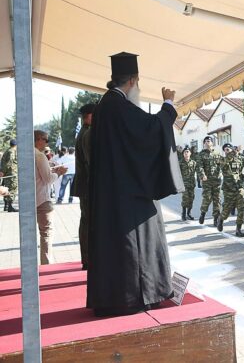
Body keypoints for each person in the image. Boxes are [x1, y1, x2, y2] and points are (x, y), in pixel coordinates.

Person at [87, 52, 183, 317]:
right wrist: (168, 105)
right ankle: (136, 296)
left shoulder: (106, 106)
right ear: (133, 81)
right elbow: (151, 130)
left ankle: (115, 297)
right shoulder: (118, 106)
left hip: (112, 191)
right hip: (127, 195)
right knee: (134, 245)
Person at [34, 130, 67, 264]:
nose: (47, 143)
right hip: (42, 198)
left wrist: (51, 170)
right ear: (38, 139)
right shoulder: (40, 156)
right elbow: (47, 179)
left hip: (31, 198)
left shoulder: (27, 154)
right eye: (46, 140)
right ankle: (46, 264)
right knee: (46, 233)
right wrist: (59, 173)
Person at [73, 103, 96, 270]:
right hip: (88, 185)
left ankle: (87, 259)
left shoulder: (84, 132)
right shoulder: (88, 134)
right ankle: (88, 259)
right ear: (90, 116)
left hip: (85, 184)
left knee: (86, 221)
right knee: (88, 222)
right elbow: (91, 163)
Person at [217, 143, 244, 237]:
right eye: (225, 150)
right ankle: (221, 219)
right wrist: (234, 151)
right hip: (228, 188)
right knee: (227, 210)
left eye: (228, 149)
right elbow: (227, 160)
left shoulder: (240, 159)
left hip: (239, 187)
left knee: (241, 207)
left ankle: (238, 229)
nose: (227, 151)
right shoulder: (222, 159)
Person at [197, 136, 223, 226]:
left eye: (209, 141)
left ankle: (216, 218)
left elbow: (221, 164)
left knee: (217, 199)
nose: (208, 142)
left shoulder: (217, 153)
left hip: (217, 180)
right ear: (204, 143)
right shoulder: (201, 154)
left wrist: (222, 173)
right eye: (206, 141)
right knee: (207, 198)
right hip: (207, 180)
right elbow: (199, 166)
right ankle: (203, 213)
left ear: (212, 143)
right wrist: (202, 175)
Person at [180, 148, 197, 221]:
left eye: (187, 152)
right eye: (185, 152)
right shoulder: (180, 163)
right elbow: (178, 173)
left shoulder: (193, 163)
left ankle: (189, 213)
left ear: (190, 153)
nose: (186, 153)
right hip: (184, 184)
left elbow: (198, 171)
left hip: (192, 184)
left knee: (191, 198)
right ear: (183, 154)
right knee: (185, 198)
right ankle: (183, 214)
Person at [0, 139, 18, 212]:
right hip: (11, 173)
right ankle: (10, 206)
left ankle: (6, 206)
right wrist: (3, 171)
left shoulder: (7, 150)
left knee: (7, 188)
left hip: (8, 173)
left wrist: (3, 171)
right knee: (12, 188)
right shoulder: (12, 151)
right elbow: (10, 162)